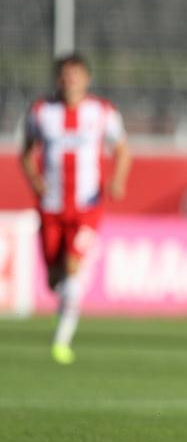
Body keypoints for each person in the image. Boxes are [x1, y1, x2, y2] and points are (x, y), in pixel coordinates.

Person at [19, 53, 131, 364]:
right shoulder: (41, 112)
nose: (70, 82)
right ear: (58, 79)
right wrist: (35, 180)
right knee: (55, 280)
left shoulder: (102, 112)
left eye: (75, 76)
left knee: (72, 267)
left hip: (87, 207)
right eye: (65, 76)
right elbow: (26, 151)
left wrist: (118, 180)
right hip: (51, 207)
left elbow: (121, 148)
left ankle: (62, 342)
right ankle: (65, 306)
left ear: (86, 79)